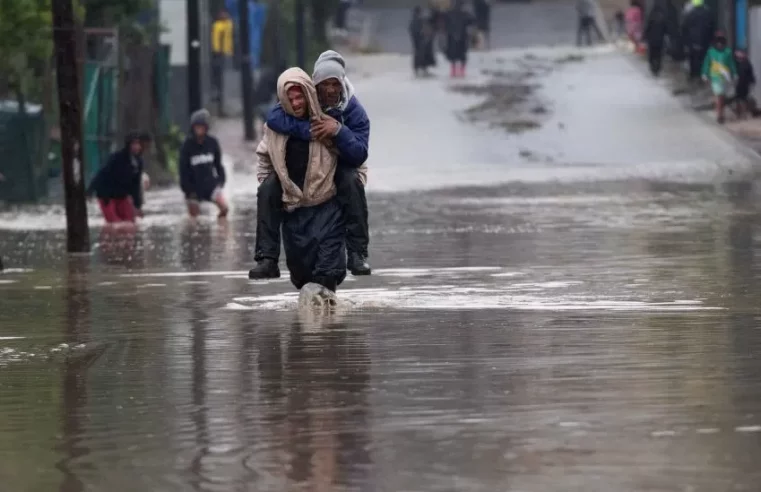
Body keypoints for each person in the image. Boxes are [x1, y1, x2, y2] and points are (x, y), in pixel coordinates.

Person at [249, 50, 371, 280]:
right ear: (314, 86)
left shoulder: (354, 112)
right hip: (298, 186)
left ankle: (358, 253)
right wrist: (310, 132)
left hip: (337, 172)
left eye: (336, 84)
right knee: (267, 190)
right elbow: (275, 118)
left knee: (351, 183)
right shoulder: (300, 100)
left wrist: (338, 131)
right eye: (325, 84)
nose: (331, 90)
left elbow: (360, 154)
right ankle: (267, 258)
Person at [256, 67, 347, 293]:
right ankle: (266, 259)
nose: (296, 103)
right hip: (295, 210)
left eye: (300, 97)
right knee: (303, 279)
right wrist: (272, 186)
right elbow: (264, 158)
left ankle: (358, 254)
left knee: (326, 275)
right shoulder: (275, 126)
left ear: (308, 94)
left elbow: (355, 157)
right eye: (290, 99)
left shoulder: (329, 120)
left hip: (327, 207)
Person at [87, 132, 146, 223]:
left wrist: (137, 206)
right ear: (128, 145)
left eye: (138, 144)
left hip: (122, 195)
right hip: (107, 195)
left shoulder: (139, 162)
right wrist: (90, 191)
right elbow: (102, 173)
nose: (136, 146)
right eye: (134, 143)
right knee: (114, 223)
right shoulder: (117, 158)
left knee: (130, 222)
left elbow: (136, 185)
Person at [179, 109, 229, 217]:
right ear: (193, 127)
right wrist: (187, 190)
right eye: (197, 127)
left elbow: (218, 164)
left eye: (201, 127)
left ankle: (220, 228)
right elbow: (183, 170)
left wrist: (221, 181)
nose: (199, 129)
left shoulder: (212, 143)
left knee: (225, 208)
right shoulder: (186, 145)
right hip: (193, 188)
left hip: (210, 185)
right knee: (194, 219)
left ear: (206, 127)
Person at [702, 31, 737, 124]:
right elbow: (707, 64)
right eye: (718, 41)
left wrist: (735, 74)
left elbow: (731, 64)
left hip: (725, 77)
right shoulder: (710, 52)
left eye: (721, 41)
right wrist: (704, 74)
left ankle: (721, 112)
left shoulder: (728, 52)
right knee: (719, 95)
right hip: (715, 78)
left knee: (722, 97)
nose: (719, 44)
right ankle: (719, 115)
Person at [682, 0, 714, 81]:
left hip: (692, 40)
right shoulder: (707, 13)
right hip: (704, 40)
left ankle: (693, 75)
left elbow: (684, 28)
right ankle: (701, 75)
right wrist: (710, 39)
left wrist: (685, 40)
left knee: (692, 58)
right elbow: (711, 27)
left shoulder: (690, 14)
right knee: (702, 58)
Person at [444, 0, 474, 78]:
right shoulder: (464, 14)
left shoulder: (449, 14)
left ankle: (455, 71)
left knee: (455, 55)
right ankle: (460, 71)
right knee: (461, 55)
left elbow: (446, 26)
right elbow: (471, 22)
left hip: (454, 37)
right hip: (460, 37)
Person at [410, 6, 436, 76]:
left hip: (420, 41)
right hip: (419, 41)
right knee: (420, 55)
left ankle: (421, 69)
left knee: (422, 55)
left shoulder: (418, 20)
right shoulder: (417, 20)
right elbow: (416, 31)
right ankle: (420, 69)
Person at [644, 4, 668, 76]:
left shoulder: (651, 18)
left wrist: (645, 37)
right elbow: (666, 29)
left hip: (651, 40)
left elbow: (647, 29)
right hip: (660, 40)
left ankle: (652, 66)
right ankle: (657, 68)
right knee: (659, 54)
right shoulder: (663, 18)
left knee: (652, 54)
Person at [734, 50, 756, 119]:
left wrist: (752, 81)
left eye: (740, 54)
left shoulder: (747, 63)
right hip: (739, 83)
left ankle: (743, 113)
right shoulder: (736, 63)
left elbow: (750, 73)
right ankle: (739, 113)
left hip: (745, 83)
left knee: (743, 99)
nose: (739, 55)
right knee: (738, 99)